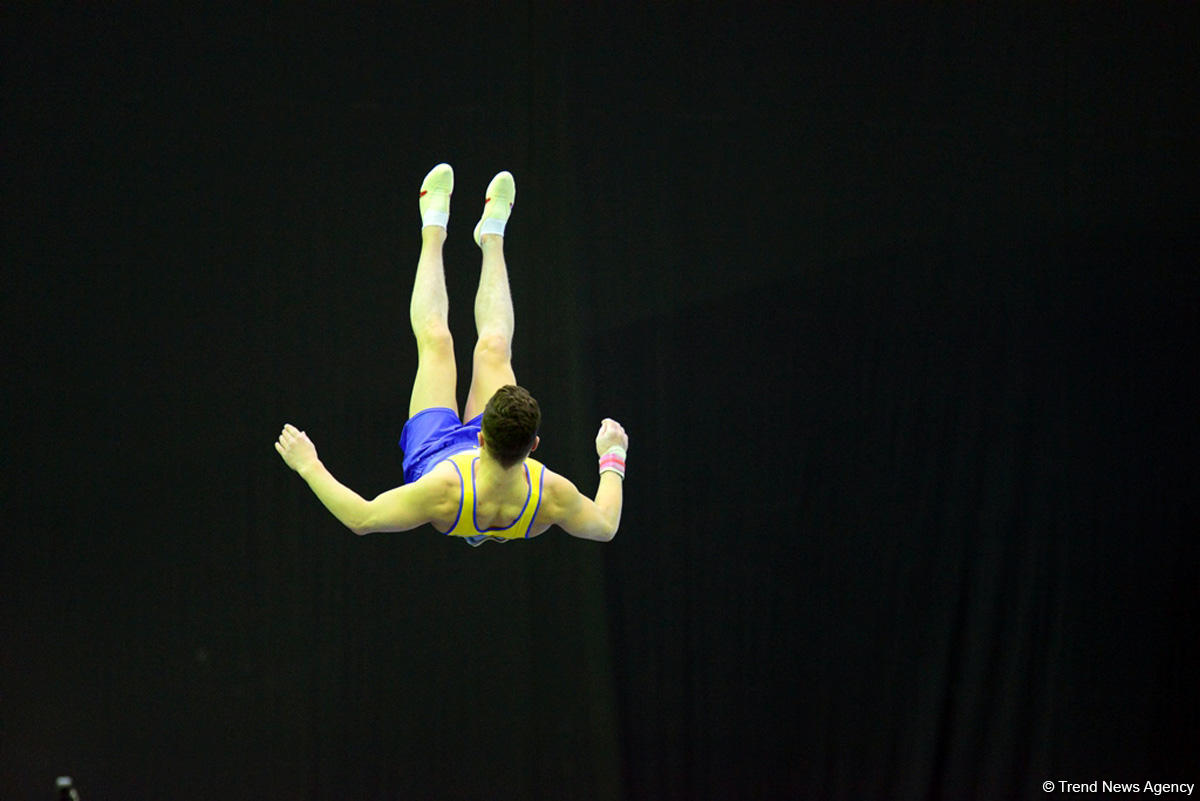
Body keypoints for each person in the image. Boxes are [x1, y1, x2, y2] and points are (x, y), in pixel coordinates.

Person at [274, 164, 628, 545]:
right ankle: (492, 236)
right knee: (494, 347)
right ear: (535, 446)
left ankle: (433, 225)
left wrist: (308, 465)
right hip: (479, 477)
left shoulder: (442, 492)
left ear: (480, 437)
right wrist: (612, 455)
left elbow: (363, 516)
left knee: (436, 343)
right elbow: (605, 525)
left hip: (435, 452)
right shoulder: (551, 494)